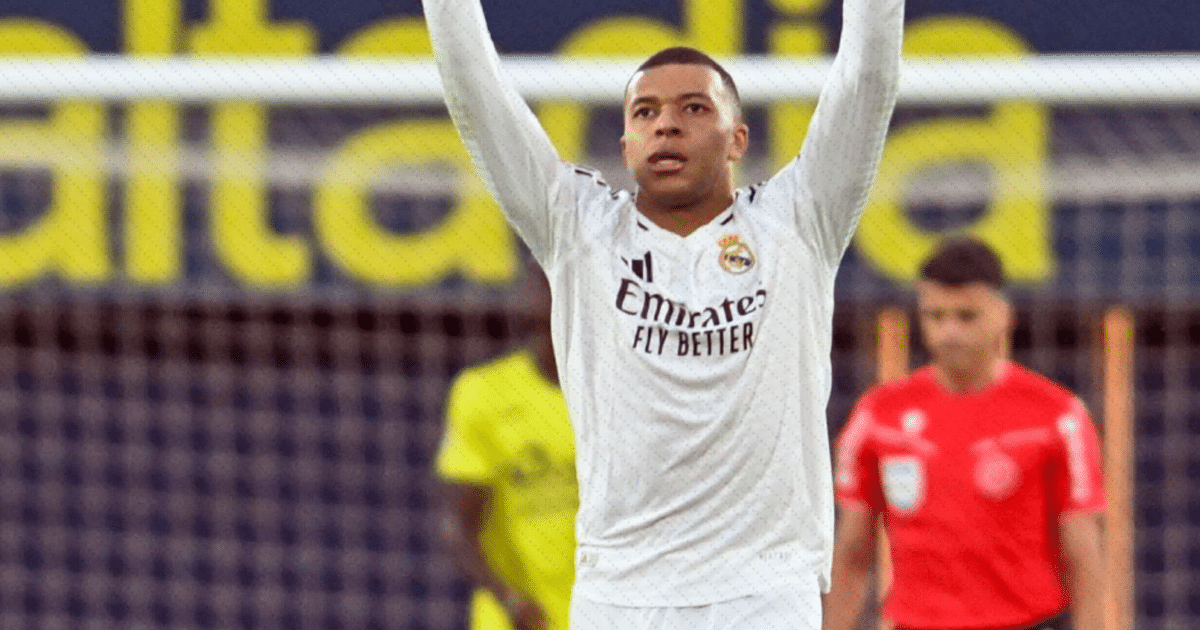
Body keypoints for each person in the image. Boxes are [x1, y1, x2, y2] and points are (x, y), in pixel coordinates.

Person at [423, 0, 903, 626]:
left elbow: (867, 76)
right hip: (621, 592)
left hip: (763, 589)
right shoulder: (576, 229)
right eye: (644, 113)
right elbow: (472, 86)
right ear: (625, 143)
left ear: (738, 139)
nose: (665, 125)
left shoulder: (798, 222)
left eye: (693, 108)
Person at [824, 237, 1105, 630]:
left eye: (966, 316)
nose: (949, 332)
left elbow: (1085, 559)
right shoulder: (878, 416)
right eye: (935, 316)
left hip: (1028, 623)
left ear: (1003, 314)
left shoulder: (1057, 416)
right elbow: (853, 555)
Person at [436, 265, 576, 630]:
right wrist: (511, 601)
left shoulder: (615, 396)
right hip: (513, 621)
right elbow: (458, 527)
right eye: (543, 288)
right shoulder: (484, 393)